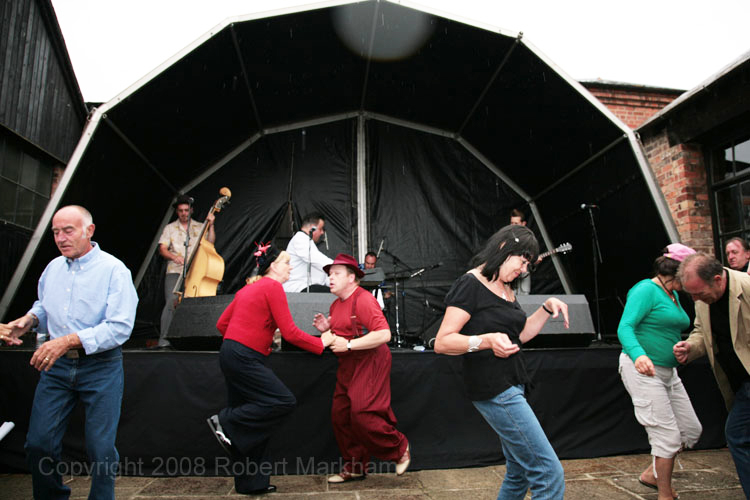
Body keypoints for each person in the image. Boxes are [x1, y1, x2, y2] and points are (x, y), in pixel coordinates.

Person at [0, 205, 138, 500]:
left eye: (68, 230)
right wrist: (28, 321)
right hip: (57, 368)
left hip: (101, 367)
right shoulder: (52, 268)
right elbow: (44, 305)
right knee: (38, 443)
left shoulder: (114, 270)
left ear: (89, 231)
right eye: (55, 232)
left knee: (101, 449)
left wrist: (67, 340)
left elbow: (120, 327)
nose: (60, 238)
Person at [434, 224, 568, 500]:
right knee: (548, 473)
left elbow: (519, 336)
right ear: (505, 248)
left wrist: (545, 307)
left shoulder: (506, 288)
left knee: (518, 470)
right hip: (495, 389)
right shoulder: (470, 284)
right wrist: (485, 340)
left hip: (513, 383)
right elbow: (442, 342)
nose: (524, 270)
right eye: (522, 261)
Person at [207, 243, 334, 495]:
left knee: (253, 422)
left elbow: (223, 324)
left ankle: (252, 483)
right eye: (287, 263)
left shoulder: (249, 289)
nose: (290, 267)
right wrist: (321, 343)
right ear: (274, 266)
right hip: (246, 356)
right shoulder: (273, 287)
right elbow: (291, 333)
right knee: (281, 401)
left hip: (232, 353)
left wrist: (249, 335)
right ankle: (224, 422)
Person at [312, 253, 410, 483]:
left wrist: (348, 344)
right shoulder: (336, 305)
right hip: (348, 363)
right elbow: (339, 336)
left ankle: (399, 448)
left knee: (362, 412)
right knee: (341, 415)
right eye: (330, 274)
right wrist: (327, 329)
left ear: (352, 278)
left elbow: (384, 334)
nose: (330, 278)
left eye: (336, 274)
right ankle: (355, 467)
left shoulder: (363, 299)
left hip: (371, 360)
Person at [617, 243, 702, 500]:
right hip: (642, 370)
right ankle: (665, 494)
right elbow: (625, 327)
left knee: (690, 431)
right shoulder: (646, 290)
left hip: (669, 372)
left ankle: (652, 474)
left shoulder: (672, 294)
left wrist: (685, 347)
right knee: (667, 435)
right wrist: (639, 354)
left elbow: (671, 328)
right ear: (677, 273)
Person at [674, 253, 750, 496]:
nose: (695, 299)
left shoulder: (746, 288)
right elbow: (700, 330)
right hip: (739, 382)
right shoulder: (702, 297)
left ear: (718, 279)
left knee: (737, 435)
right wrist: (691, 347)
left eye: (698, 293)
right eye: (691, 294)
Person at [157, 194, 215, 346]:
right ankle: (163, 342)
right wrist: (173, 257)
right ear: (177, 212)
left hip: (194, 271)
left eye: (186, 210)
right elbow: (162, 249)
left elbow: (210, 243)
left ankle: (191, 340)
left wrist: (211, 225)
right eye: (181, 210)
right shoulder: (170, 228)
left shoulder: (199, 226)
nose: (183, 213)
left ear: (191, 210)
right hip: (175, 270)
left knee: (193, 303)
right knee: (171, 302)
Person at [283, 212, 333, 293]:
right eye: (321, 229)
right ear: (312, 228)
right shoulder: (300, 239)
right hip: (298, 287)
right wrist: (340, 267)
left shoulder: (307, 241)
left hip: (308, 286)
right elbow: (316, 259)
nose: (322, 232)